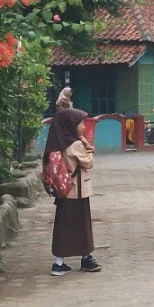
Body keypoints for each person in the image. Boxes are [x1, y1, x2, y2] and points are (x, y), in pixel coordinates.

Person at [43, 107, 100, 277]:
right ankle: (86, 258)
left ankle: (59, 263)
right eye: (81, 123)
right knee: (82, 226)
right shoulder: (75, 144)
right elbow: (88, 162)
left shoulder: (58, 142)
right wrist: (88, 148)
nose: (83, 126)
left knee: (63, 226)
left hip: (64, 192)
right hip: (77, 191)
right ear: (71, 125)